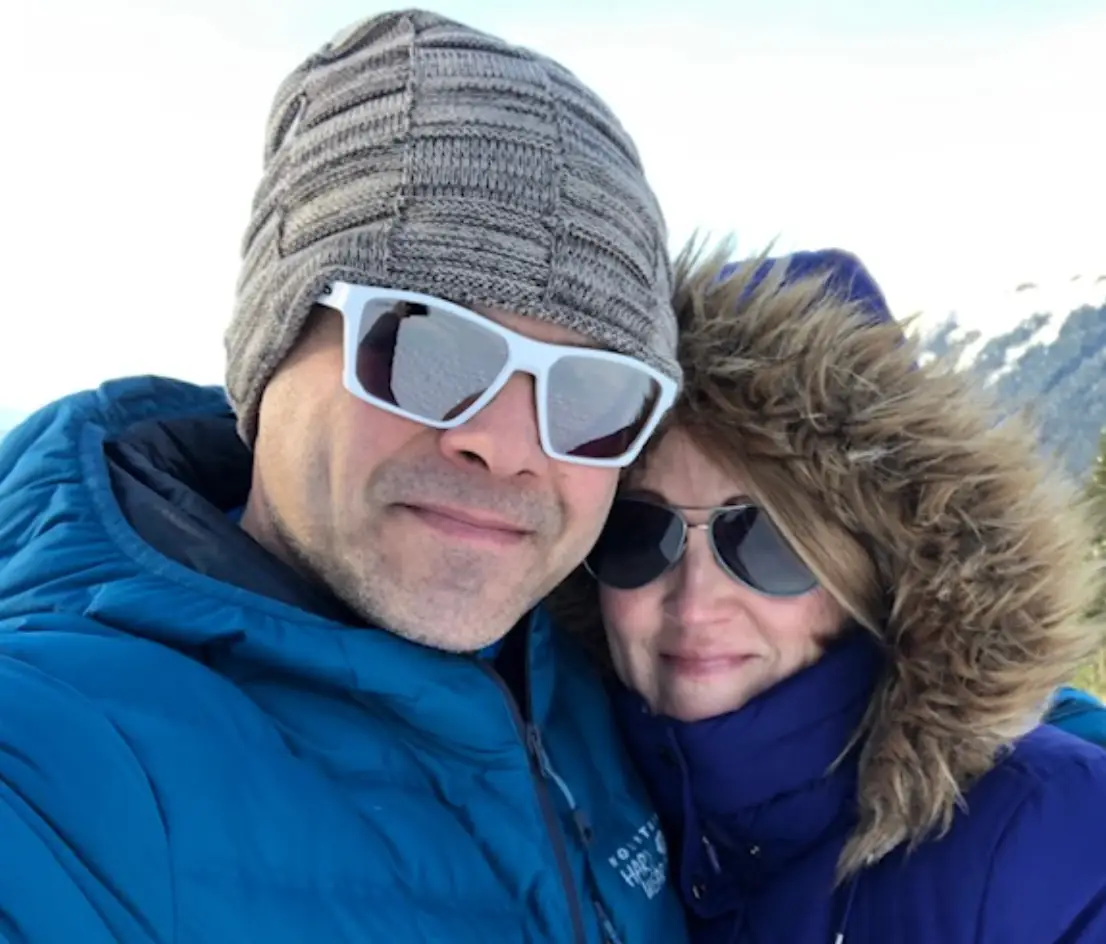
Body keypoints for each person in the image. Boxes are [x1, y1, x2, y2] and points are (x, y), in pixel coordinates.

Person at [0, 10, 691, 943]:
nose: (509, 445)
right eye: (425, 346)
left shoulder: (595, 685)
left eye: (594, 392)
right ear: (270, 357)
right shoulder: (64, 764)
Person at [549, 242, 1106, 943]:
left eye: (766, 541)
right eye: (639, 531)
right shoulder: (565, 816)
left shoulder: (1060, 842)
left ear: (875, 568)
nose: (694, 603)